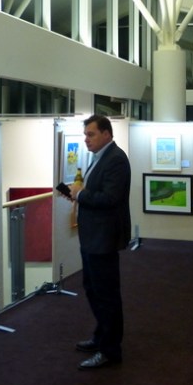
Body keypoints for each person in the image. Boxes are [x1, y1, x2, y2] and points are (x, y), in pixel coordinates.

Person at [67, 114, 132, 370]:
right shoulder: (99, 157)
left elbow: (110, 198)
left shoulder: (116, 159)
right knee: (93, 289)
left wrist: (81, 194)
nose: (86, 139)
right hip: (92, 236)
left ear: (107, 134)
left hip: (103, 238)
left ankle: (110, 350)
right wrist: (77, 195)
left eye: (91, 134)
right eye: (85, 135)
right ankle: (101, 336)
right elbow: (97, 193)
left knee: (106, 294)